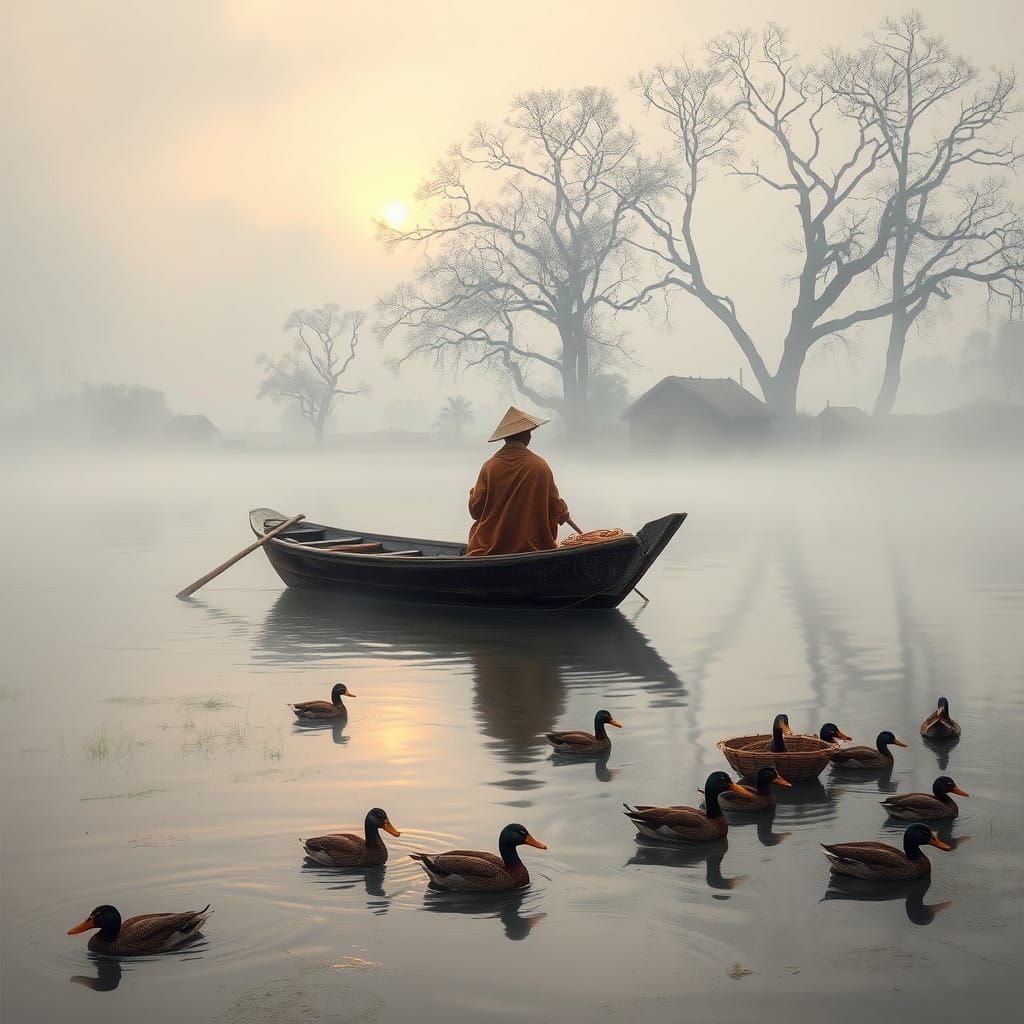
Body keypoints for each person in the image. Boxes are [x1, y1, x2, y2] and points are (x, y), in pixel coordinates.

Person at [466, 407, 570, 557]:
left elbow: (475, 510)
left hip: (488, 550)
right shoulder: (540, 466)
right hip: (532, 548)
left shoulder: (490, 467)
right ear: (525, 435)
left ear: (506, 437)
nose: (530, 436)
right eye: (529, 432)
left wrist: (473, 493)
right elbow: (555, 508)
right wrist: (563, 512)